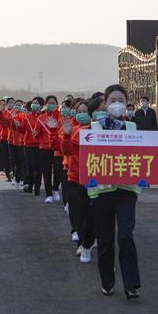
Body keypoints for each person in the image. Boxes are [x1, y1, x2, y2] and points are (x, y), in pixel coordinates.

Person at [87, 86, 143, 300]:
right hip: (102, 191)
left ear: (127, 102)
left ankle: (131, 284)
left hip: (127, 190)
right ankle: (107, 281)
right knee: (105, 238)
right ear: (105, 104)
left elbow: (141, 155)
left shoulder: (132, 127)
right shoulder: (93, 128)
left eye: (121, 100)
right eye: (112, 100)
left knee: (126, 235)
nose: (117, 104)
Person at [61, 99, 96, 264]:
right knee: (77, 213)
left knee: (90, 214)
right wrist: (66, 135)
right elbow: (66, 150)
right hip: (74, 176)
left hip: (93, 178)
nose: (83, 114)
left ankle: (87, 242)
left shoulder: (98, 131)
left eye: (86, 111)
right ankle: (83, 241)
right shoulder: (72, 130)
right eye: (79, 111)